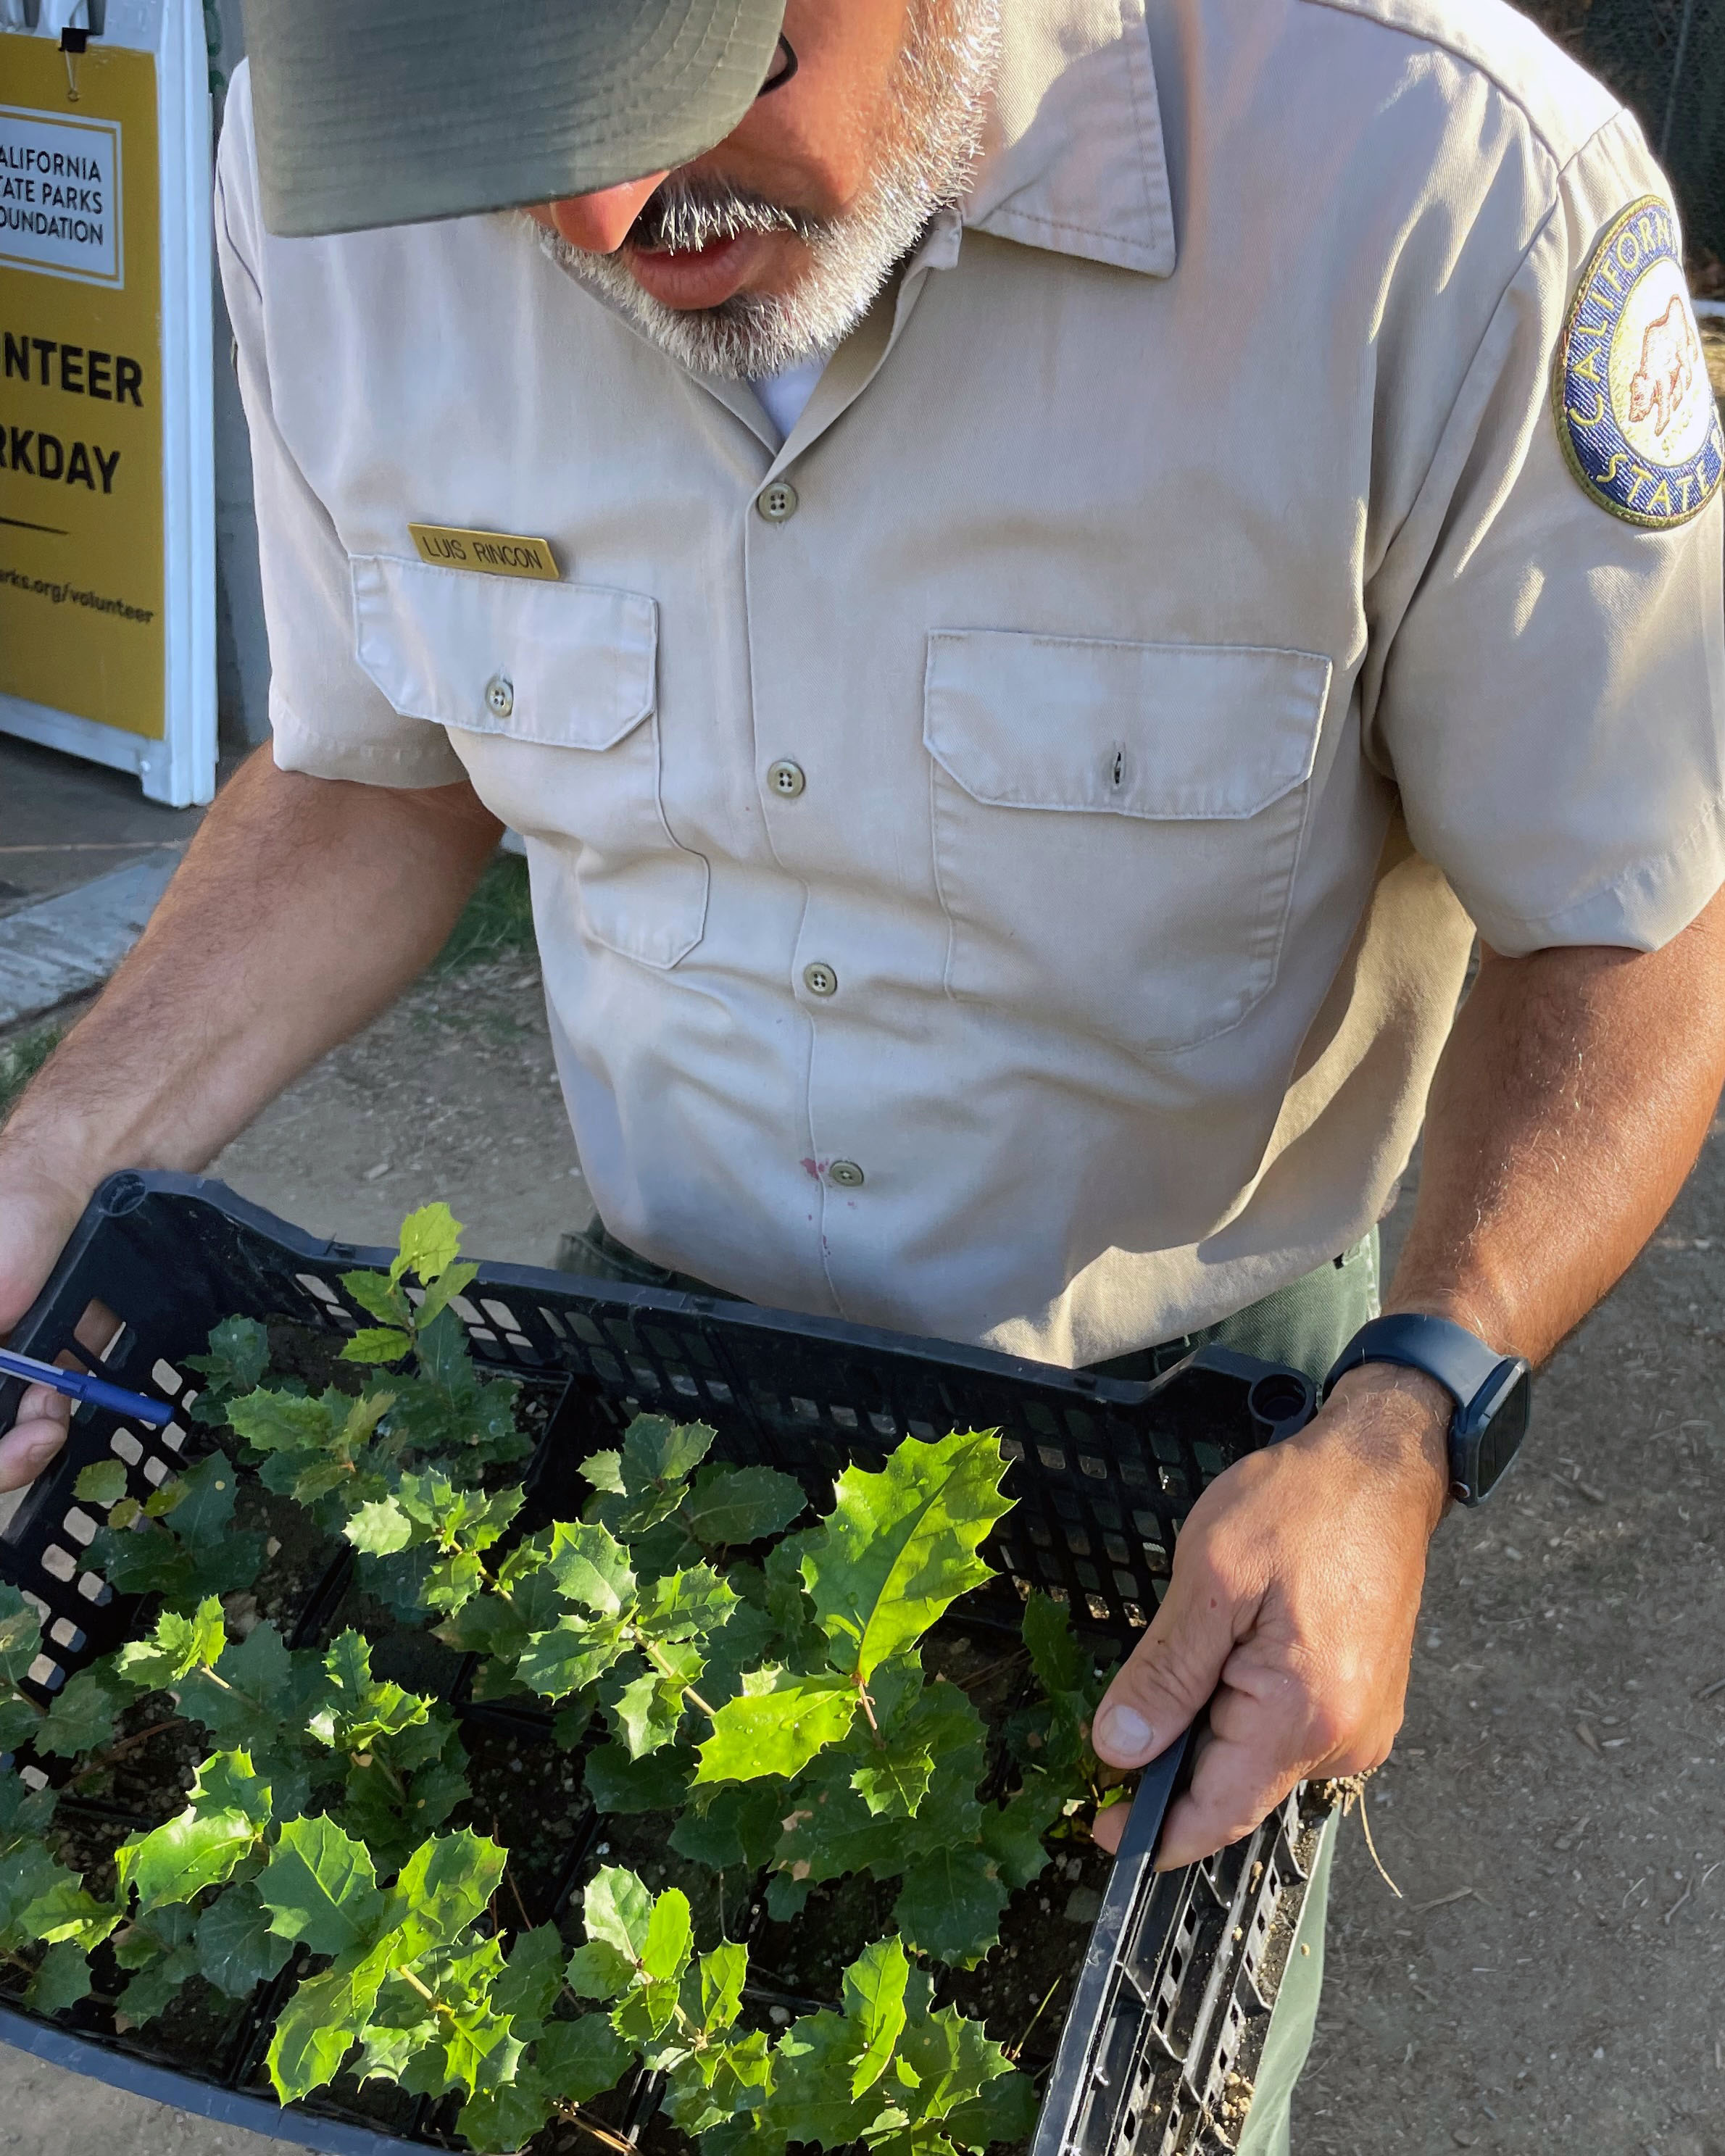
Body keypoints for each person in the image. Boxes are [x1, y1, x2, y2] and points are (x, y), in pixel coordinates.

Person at [4, 0, 1724, 2144]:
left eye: (685, 86)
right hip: (648, 1378)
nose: (599, 211)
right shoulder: (325, 190)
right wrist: (49, 1160)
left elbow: (1618, 925)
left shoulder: (1429, 191)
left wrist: (1407, 1419)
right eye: (504, 139)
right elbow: (378, 778)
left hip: (1190, 1415)